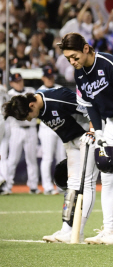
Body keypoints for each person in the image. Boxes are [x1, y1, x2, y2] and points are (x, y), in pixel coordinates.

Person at [59, 33, 113, 245]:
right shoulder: (79, 73)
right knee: (107, 176)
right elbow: (90, 106)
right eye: (68, 58)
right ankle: (109, 230)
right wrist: (98, 131)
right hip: (107, 124)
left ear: (86, 48)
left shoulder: (112, 63)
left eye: (74, 56)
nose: (72, 62)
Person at [3, 86, 96, 243]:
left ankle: (77, 232)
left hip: (87, 138)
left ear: (31, 105)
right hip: (70, 142)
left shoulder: (57, 98)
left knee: (86, 184)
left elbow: (89, 107)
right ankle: (66, 229)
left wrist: (93, 132)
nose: (29, 119)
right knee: (71, 187)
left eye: (27, 116)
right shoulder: (36, 107)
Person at [3, 73, 39, 194]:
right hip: (16, 129)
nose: (19, 83)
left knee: (32, 159)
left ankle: (33, 186)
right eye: (16, 81)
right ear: (12, 83)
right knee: (12, 159)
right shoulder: (9, 94)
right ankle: (7, 186)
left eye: (20, 80)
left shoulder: (30, 91)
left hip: (31, 128)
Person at [37, 65, 63, 195]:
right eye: (47, 77)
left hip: (60, 127)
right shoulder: (38, 92)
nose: (50, 79)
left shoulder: (59, 88)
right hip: (47, 128)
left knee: (62, 158)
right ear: (43, 78)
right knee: (47, 157)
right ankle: (47, 186)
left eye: (51, 76)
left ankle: (60, 185)